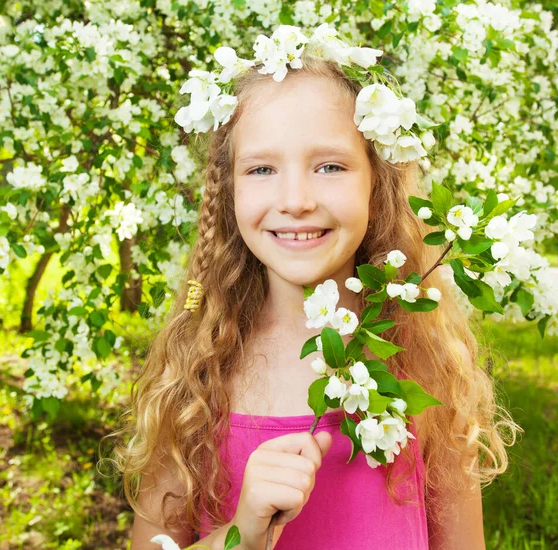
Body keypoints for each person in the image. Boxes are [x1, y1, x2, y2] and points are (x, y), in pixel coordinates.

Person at [104, 40, 520, 550]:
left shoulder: (429, 366)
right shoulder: (195, 376)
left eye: (330, 167)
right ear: (230, 189)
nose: (296, 201)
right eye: (261, 169)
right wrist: (242, 535)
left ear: (377, 183)